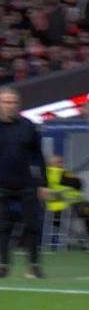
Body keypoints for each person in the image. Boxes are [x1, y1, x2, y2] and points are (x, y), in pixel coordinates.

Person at [0, 87, 49, 279]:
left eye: (13, 102)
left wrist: (43, 183)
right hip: (1, 184)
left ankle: (33, 265)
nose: (11, 106)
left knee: (32, 225)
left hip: (26, 183)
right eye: (6, 102)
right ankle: (2, 264)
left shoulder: (28, 126)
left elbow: (38, 156)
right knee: (2, 226)